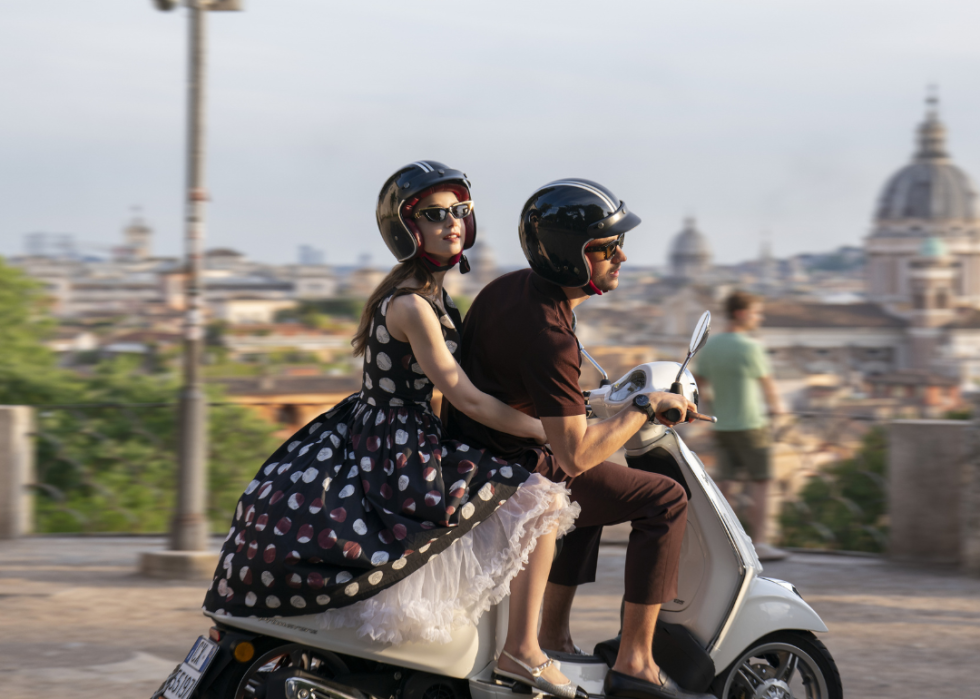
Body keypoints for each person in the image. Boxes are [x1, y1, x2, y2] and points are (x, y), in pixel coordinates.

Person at [203, 162, 586, 699]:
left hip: (388, 431)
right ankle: (523, 650)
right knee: (540, 500)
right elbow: (465, 396)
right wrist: (548, 431)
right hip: (399, 444)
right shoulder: (412, 304)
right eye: (435, 215)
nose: (452, 223)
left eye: (460, 212)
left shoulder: (423, 293)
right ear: (409, 229)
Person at [444, 179, 713, 699]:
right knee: (663, 499)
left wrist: (590, 404)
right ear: (574, 257)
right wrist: (643, 406)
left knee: (597, 489)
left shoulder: (509, 289)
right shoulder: (550, 332)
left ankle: (554, 632)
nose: (623, 257)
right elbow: (574, 452)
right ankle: (636, 660)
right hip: (509, 469)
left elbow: (522, 390)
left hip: (476, 453)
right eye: (608, 248)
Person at [693, 290, 787, 562]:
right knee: (762, 482)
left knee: (725, 484)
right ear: (742, 314)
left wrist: (710, 408)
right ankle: (760, 543)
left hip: (721, 425)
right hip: (751, 424)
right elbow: (769, 388)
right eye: (757, 313)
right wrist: (779, 411)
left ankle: (725, 542)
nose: (760, 318)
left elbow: (698, 385)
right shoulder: (751, 348)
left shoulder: (710, 347)